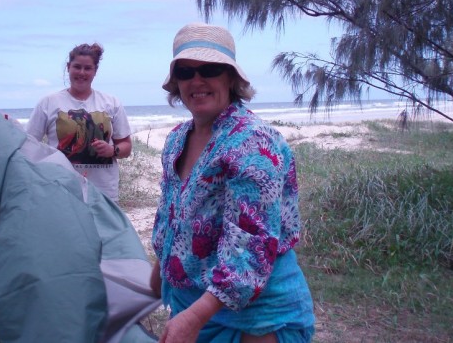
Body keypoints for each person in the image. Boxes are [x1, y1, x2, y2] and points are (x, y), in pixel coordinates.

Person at [150, 23, 315, 343]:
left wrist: (194, 318)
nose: (197, 80)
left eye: (210, 69)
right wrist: (159, 275)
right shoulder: (176, 140)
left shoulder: (253, 143)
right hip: (193, 305)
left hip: (256, 316)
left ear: (230, 78)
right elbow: (172, 219)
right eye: (185, 71)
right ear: (176, 83)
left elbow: (251, 248)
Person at [26, 42, 132, 201]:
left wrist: (112, 150)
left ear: (95, 71)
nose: (82, 72)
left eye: (88, 68)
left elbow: (126, 146)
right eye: (77, 67)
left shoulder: (111, 102)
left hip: (103, 192)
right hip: (61, 189)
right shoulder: (47, 103)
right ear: (68, 67)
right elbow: (29, 145)